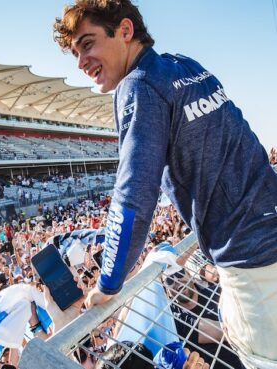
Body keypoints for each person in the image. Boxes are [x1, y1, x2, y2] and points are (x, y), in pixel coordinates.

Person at [53, 1, 277, 367]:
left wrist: (108, 283)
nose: (81, 61)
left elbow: (133, 196)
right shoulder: (185, 66)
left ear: (125, 31)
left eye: (88, 44)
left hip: (252, 259)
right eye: (76, 52)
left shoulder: (139, 86)